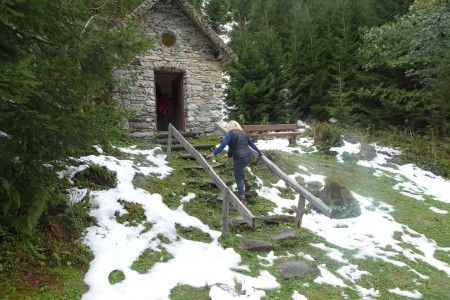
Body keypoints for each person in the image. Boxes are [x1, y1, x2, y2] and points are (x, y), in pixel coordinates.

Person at [206, 120, 263, 205]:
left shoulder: (230, 133)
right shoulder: (243, 133)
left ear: (229, 126)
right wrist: (259, 152)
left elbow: (223, 144)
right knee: (240, 169)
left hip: (240, 157)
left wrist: (214, 154)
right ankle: (247, 182)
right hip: (248, 156)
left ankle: (243, 200)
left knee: (238, 180)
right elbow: (251, 143)